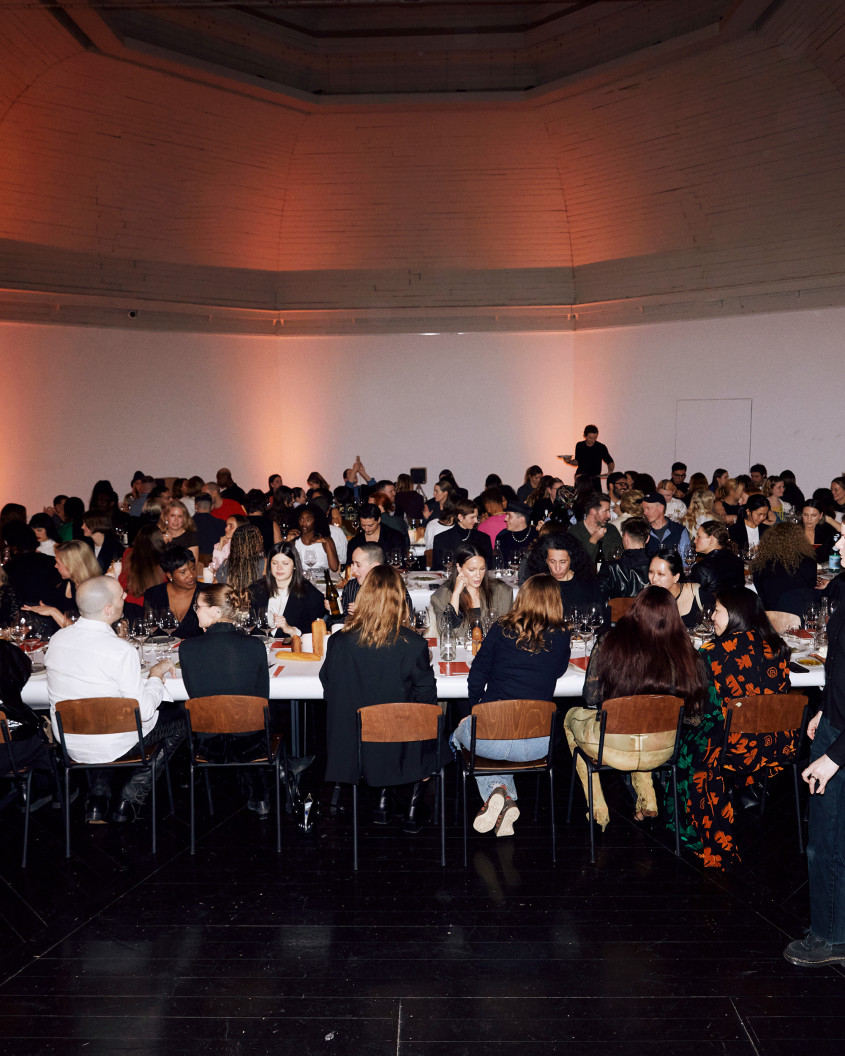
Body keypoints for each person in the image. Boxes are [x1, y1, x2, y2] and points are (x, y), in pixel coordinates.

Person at [564, 586, 709, 829]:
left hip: (612, 747)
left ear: (636, 610)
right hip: (661, 749)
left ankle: (598, 808)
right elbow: (695, 718)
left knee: (570, 717)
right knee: (642, 721)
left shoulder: (609, 641)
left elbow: (590, 698)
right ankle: (648, 799)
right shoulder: (688, 654)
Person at [45, 576, 181, 824]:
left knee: (104, 714)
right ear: (108, 609)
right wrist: (155, 676)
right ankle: (130, 798)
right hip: (116, 741)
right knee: (181, 718)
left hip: (71, 742)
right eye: (120, 596)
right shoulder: (120, 650)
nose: (125, 599)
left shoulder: (57, 640)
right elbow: (146, 711)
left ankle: (97, 797)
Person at [672, 588, 792, 870]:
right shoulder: (778, 647)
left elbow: (702, 710)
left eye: (717, 611)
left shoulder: (712, 652)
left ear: (736, 615)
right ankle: (747, 787)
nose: (712, 616)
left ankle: (703, 833)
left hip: (736, 749)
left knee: (688, 744)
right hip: (778, 745)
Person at [319, 565, 437, 832]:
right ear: (400, 598)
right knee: (430, 722)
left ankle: (384, 799)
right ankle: (412, 808)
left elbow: (328, 685)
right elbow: (426, 700)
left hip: (353, 744)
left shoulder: (338, 641)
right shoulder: (413, 644)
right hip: (396, 742)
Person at [451, 574, 571, 837]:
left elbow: (476, 676)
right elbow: (560, 670)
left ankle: (498, 792)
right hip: (538, 744)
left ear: (523, 597)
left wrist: (474, 712)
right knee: (482, 736)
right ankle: (503, 797)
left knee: (457, 734)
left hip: (491, 736)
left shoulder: (501, 629)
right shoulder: (562, 636)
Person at [784, 586, 845, 966]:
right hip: (835, 724)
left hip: (841, 743)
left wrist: (834, 758)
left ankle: (831, 938)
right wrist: (825, 708)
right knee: (824, 840)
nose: (839, 541)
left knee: (829, 844)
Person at [179, 584, 274, 817]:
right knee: (250, 722)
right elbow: (262, 698)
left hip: (209, 746)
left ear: (214, 611)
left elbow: (194, 695)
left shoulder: (187, 648)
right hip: (252, 744)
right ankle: (261, 794)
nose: (195, 612)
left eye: (198, 607)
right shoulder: (254, 645)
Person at [431, 544, 514, 646]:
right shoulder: (442, 595)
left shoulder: (501, 592)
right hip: (459, 653)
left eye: (482, 568)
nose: (478, 575)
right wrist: (456, 594)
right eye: (472, 570)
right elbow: (445, 630)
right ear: (459, 568)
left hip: (493, 652)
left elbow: (507, 632)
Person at [21, 538, 101, 633]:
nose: (55, 566)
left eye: (58, 563)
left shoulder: (93, 591)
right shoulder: (67, 584)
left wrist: (53, 612)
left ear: (72, 565)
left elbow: (85, 633)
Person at [249, 541, 326, 636]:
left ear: (294, 566)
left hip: (293, 648)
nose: (279, 568)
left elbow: (315, 633)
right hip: (259, 647)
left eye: (285, 563)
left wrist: (291, 629)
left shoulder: (310, 595)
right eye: (274, 563)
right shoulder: (255, 590)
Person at [523, 530, 604, 615]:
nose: (557, 568)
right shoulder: (538, 586)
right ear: (545, 560)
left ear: (572, 560)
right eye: (552, 561)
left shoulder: (588, 586)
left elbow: (599, 619)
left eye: (563, 562)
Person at [751, 521, 818, 617]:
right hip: (801, 614)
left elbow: (761, 593)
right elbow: (811, 586)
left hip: (772, 615)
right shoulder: (808, 561)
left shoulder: (760, 564)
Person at [338, 542, 414, 621]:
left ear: (375, 567)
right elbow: (342, 622)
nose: (353, 569)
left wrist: (364, 613)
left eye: (358, 565)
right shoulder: (351, 586)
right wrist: (335, 611)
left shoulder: (394, 587)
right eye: (353, 563)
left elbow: (407, 619)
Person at [143, 546, 202, 638]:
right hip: (162, 650)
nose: (191, 575)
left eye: (193, 568)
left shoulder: (207, 592)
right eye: (183, 572)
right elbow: (150, 630)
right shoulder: (154, 594)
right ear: (169, 575)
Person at [596, 517, 651, 599]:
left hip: (619, 611)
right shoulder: (657, 565)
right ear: (647, 539)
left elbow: (599, 599)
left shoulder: (611, 568)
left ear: (625, 538)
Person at [431, 499, 493, 571]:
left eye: (477, 517)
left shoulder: (484, 538)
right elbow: (437, 568)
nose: (476, 521)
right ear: (460, 517)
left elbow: (490, 566)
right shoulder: (441, 539)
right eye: (472, 517)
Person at [648, 549, 704, 628]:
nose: (654, 579)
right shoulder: (645, 597)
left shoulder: (698, 594)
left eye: (660, 574)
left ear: (676, 577)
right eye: (651, 572)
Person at [687, 520, 744, 595]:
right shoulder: (738, 561)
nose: (694, 540)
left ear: (711, 540)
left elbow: (694, 597)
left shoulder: (702, 568)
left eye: (699, 536)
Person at [118, 524, 166, 611]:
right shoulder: (163, 556)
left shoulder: (128, 553)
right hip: (153, 605)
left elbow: (122, 580)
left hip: (129, 603)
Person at [568, 493, 623, 567]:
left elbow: (619, 556)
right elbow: (577, 562)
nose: (609, 516)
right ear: (593, 511)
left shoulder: (611, 530)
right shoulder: (574, 532)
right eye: (605, 511)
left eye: (609, 511)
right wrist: (593, 540)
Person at [285, 503, 340, 573]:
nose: (304, 524)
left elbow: (334, 567)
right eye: (301, 520)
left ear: (316, 521)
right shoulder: (294, 542)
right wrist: (287, 542)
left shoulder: (325, 540)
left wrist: (326, 543)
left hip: (322, 581)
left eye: (308, 520)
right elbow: (284, 565)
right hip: (301, 581)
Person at [217, 523, 266, 590]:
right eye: (259, 536)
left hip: (231, 598)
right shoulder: (265, 563)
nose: (262, 538)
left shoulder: (226, 563)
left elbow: (216, 586)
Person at [641, 492, 690, 557]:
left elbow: (686, 560)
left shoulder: (679, 530)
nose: (645, 512)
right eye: (643, 509)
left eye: (648, 508)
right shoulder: (641, 530)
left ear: (661, 508)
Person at [493, 501, 538, 566]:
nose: (505, 519)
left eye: (509, 515)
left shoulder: (536, 536)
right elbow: (498, 563)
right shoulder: (502, 536)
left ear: (521, 519)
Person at [209, 513, 248, 579]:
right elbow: (214, 567)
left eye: (231, 526)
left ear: (240, 529)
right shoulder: (221, 545)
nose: (226, 529)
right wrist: (220, 547)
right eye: (226, 525)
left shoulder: (247, 547)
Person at [800, 498, 837, 565]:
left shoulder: (827, 532)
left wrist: (830, 520)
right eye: (806, 515)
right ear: (802, 515)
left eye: (813, 515)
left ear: (821, 516)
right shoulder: (794, 531)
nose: (809, 519)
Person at [193, 493, 225, 562]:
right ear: (212, 507)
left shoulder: (187, 524)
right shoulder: (222, 524)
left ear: (195, 506)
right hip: (213, 562)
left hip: (192, 563)